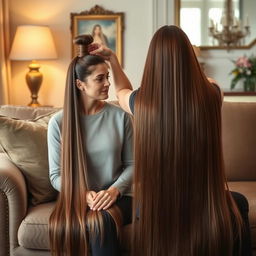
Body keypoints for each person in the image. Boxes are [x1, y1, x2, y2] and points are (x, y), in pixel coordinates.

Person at [89, 25, 251, 256]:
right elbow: (204, 81)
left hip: (155, 205)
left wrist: (113, 60)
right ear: (189, 58)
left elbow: (122, 89)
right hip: (204, 202)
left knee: (110, 215)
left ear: (153, 61)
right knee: (239, 203)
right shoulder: (212, 94)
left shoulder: (142, 102)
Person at [47, 34, 133, 256]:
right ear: (80, 84)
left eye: (108, 77)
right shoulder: (58, 123)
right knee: (91, 221)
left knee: (100, 222)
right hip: (80, 198)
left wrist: (114, 191)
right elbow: (56, 175)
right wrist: (85, 195)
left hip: (121, 197)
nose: (107, 84)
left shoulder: (121, 117)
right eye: (100, 79)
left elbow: (133, 165)